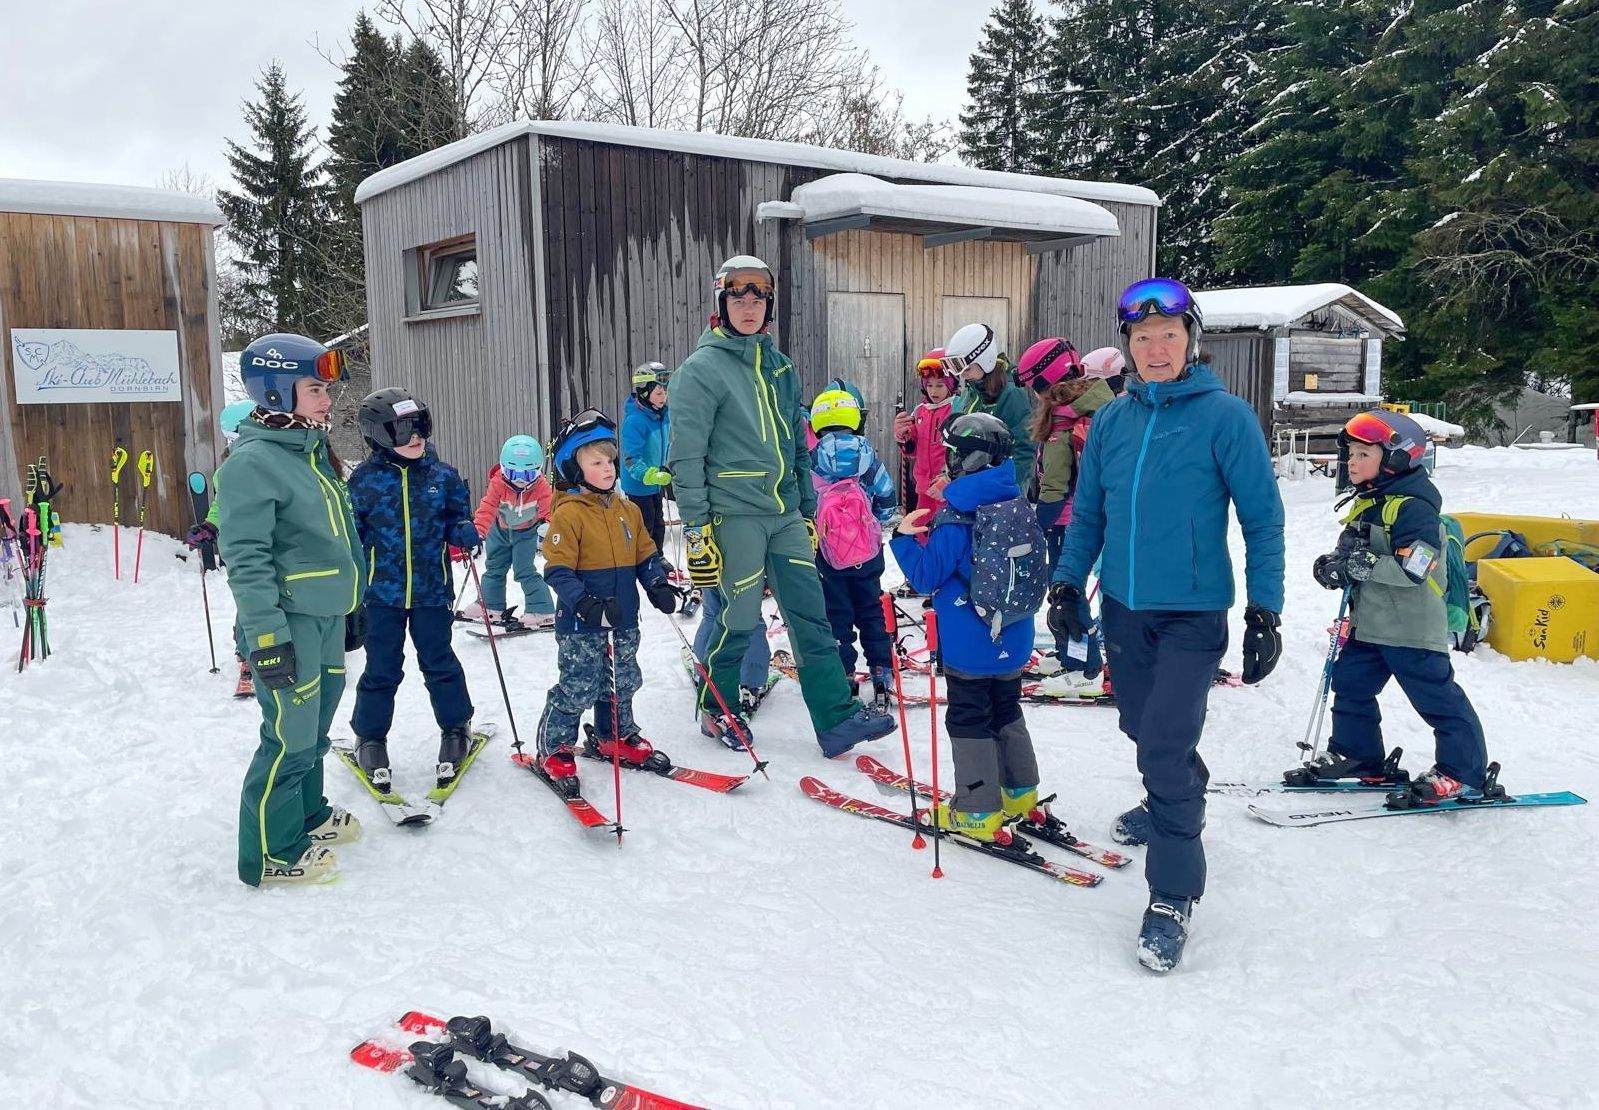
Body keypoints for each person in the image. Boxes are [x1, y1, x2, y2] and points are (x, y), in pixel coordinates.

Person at [1047, 277, 1284, 973]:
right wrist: (1066, 583)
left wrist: (1263, 608)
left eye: (1168, 336)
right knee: (1141, 728)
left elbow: (1262, 519)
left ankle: (1172, 893)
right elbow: (1087, 511)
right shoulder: (1114, 422)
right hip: (1123, 606)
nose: (1154, 348)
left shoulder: (1225, 417)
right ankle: (1174, 791)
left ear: (1190, 342)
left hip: (1191, 610)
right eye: (1142, 337)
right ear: (1127, 344)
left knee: (1162, 745)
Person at [666, 254, 895, 758]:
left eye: (758, 298)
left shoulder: (780, 366)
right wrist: (698, 529)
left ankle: (836, 718)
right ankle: (718, 707)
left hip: (786, 515)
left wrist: (809, 510)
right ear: (720, 303)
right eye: (737, 297)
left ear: (769, 305)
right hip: (734, 514)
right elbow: (686, 457)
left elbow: (797, 443)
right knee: (740, 616)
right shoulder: (700, 371)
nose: (748, 307)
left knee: (810, 615)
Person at [217, 333, 366, 887]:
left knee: (317, 727)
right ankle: (272, 851)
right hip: (286, 624)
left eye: (326, 387)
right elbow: (247, 561)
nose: (326, 398)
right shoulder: (252, 464)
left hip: (325, 616)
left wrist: (353, 601)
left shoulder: (310, 449)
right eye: (313, 388)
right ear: (277, 392)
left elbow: (337, 538)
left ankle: (307, 815)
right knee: (288, 737)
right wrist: (265, 638)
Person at [1294, 409, 1488, 804]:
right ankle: (1358, 754)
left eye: (1364, 455)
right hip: (1370, 626)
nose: (1352, 462)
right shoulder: (1371, 503)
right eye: (1350, 454)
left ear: (1397, 458)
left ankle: (1463, 773)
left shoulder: (1414, 508)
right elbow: (1358, 555)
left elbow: (1414, 569)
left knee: (1437, 699)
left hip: (1411, 629)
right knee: (1350, 686)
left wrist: (1360, 565)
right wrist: (1335, 566)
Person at [890, 413, 1047, 841]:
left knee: (969, 717)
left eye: (954, 455)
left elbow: (925, 576)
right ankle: (1019, 792)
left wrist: (903, 537)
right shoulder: (1015, 503)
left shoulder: (957, 518)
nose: (949, 462)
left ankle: (977, 810)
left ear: (967, 460)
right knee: (1006, 709)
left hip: (969, 643)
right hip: (1012, 638)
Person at [534, 410, 679, 794]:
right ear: (573, 467)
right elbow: (558, 570)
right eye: (596, 462)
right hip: (583, 624)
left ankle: (614, 735)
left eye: (610, 461)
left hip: (624, 619)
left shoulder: (627, 510)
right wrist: (585, 604)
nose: (608, 468)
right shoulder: (568, 515)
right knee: (579, 685)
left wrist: (657, 584)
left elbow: (645, 555)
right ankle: (554, 748)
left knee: (621, 682)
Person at [346, 388, 482, 792]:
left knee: (439, 663)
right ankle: (370, 737)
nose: (416, 437)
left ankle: (456, 727)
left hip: (431, 592)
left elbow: (457, 515)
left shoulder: (442, 476)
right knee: (382, 669)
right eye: (403, 430)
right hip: (381, 595)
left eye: (420, 426)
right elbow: (352, 535)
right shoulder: (364, 482)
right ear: (379, 435)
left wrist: (462, 530)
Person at [1015, 337, 1117, 697]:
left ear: (1045, 381)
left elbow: (1055, 483)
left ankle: (1084, 667)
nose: (1034, 393)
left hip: (1066, 520)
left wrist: (1039, 519)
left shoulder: (1062, 418)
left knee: (1067, 595)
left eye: (1034, 385)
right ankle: (1066, 654)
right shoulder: (1094, 405)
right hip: (1092, 516)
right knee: (1065, 594)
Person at [810, 388, 900, 710]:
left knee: (837, 615)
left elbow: (805, 502)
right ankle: (881, 671)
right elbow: (888, 498)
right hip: (868, 553)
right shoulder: (867, 457)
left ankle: (844, 674)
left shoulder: (814, 458)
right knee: (871, 611)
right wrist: (872, 525)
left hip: (830, 557)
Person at [186, 399, 264, 698]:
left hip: (276, 544)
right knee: (252, 603)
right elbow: (223, 503)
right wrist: (210, 526)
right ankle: (248, 662)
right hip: (245, 547)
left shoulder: (277, 461)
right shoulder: (230, 469)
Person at [462, 435, 556, 630]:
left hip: (526, 533)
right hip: (500, 531)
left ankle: (542, 609)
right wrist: (477, 532)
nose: (520, 481)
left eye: (528, 475)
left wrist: (550, 526)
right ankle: (490, 606)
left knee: (524, 570)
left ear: (538, 471)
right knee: (494, 567)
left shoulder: (541, 488)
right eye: (514, 474)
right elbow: (488, 507)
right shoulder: (498, 483)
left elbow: (551, 511)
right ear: (504, 468)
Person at [945, 324, 1036, 491]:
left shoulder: (1011, 394)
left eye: (967, 368)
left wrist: (1007, 488)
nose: (962, 374)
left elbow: (1023, 448)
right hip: (974, 485)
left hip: (998, 488)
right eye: (957, 368)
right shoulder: (971, 390)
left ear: (984, 360)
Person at [893, 349, 958, 519]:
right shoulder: (920, 411)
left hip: (946, 487)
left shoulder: (955, 409)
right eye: (929, 385)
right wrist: (904, 437)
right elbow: (913, 450)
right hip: (923, 487)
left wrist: (950, 477)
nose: (933, 391)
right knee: (922, 530)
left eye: (939, 385)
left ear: (951, 385)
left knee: (944, 530)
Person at [620, 361, 674, 557]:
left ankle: (657, 557)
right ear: (644, 392)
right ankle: (645, 561)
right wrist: (649, 474)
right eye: (659, 393)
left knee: (659, 523)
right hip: (638, 484)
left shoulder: (661, 416)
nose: (663, 397)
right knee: (646, 525)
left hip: (655, 482)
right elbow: (631, 459)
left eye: (665, 393)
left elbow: (665, 445)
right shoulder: (635, 421)